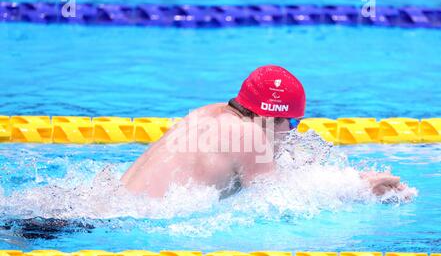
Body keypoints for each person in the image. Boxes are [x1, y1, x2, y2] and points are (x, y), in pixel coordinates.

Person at [121, 65, 407, 198]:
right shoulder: (250, 136)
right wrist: (359, 189)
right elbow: (276, 201)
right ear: (270, 117)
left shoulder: (210, 111)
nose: (293, 133)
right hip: (128, 221)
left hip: (105, 205)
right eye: (293, 123)